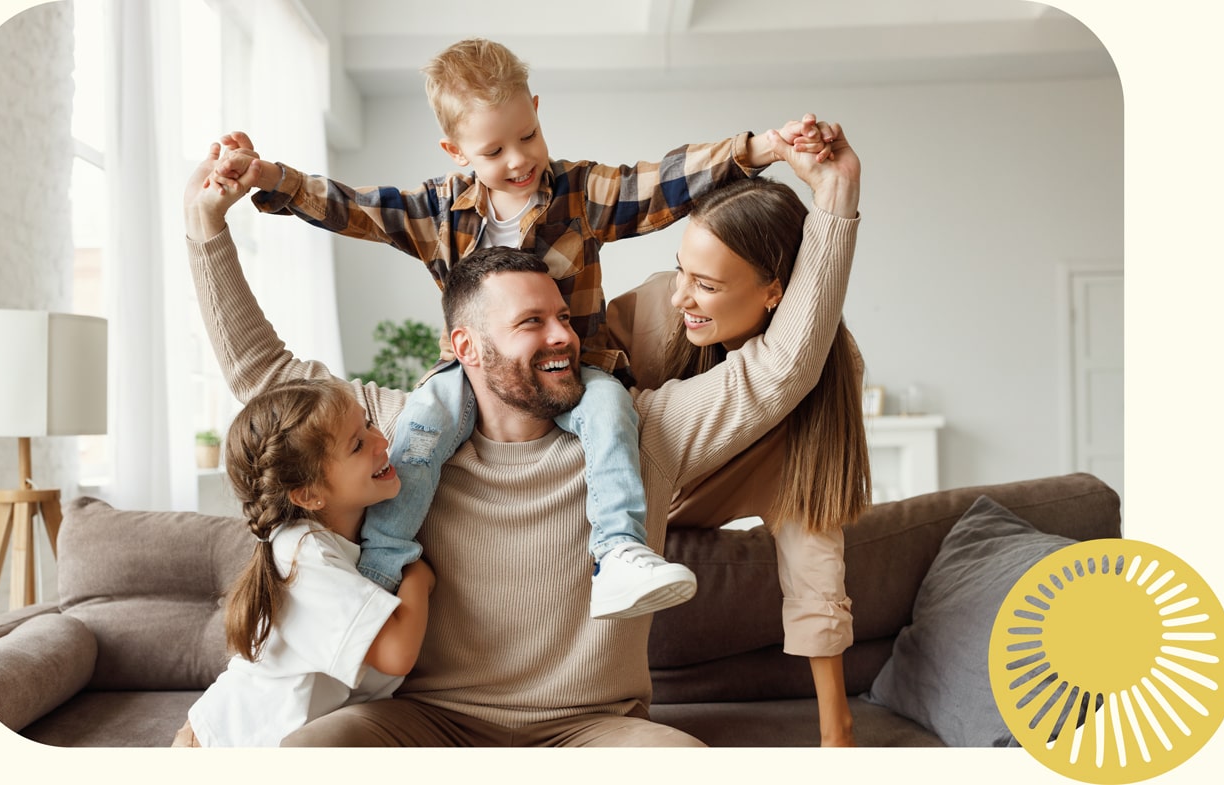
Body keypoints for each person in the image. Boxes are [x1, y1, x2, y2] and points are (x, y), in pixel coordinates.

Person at [183, 113, 860, 746]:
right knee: (307, 757)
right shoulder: (398, 440)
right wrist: (205, 226)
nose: (565, 335)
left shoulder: (640, 431)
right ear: (466, 346)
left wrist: (836, 194)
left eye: (562, 316)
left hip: (592, 729)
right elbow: (261, 373)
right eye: (530, 323)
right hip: (428, 720)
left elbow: (784, 366)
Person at [209, 37, 830, 619]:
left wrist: (763, 148)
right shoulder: (436, 210)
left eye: (528, 136)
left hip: (579, 373)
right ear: (456, 153)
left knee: (615, 419)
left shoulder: (581, 193)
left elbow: (664, 180)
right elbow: (353, 207)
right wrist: (269, 178)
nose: (518, 161)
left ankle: (616, 550)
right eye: (493, 151)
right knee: (420, 437)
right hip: (475, 379)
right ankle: (382, 567)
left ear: (536, 110)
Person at [607, 173, 872, 747]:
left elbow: (812, 545)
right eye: (681, 268)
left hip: (702, 507)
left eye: (704, 283)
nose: (681, 296)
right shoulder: (655, 310)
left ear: (774, 291)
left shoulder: (826, 372)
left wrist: (837, 730)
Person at [171, 378, 436, 747]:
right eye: (358, 445)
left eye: (369, 423)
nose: (382, 441)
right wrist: (417, 578)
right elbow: (396, 654)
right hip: (226, 744)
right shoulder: (301, 553)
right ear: (309, 494)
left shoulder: (361, 534)